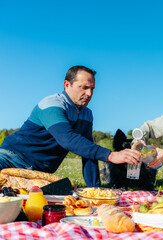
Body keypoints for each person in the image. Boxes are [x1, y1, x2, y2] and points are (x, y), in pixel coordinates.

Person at [0, 65, 141, 187]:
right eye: (84, 88)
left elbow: (87, 150)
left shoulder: (87, 114)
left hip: (38, 174)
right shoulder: (52, 104)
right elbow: (67, 138)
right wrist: (110, 155)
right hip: (10, 159)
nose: (89, 94)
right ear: (67, 85)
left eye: (92, 89)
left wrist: (94, 189)